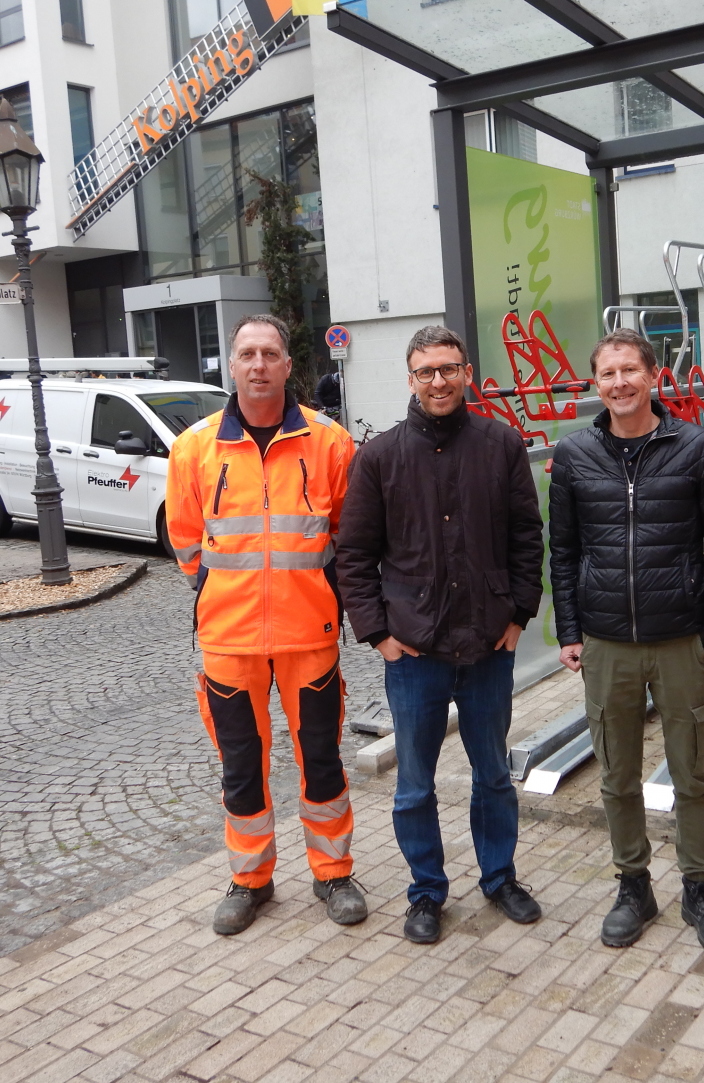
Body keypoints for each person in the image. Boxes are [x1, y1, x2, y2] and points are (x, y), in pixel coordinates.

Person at [337, 326, 544, 945]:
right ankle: (426, 891)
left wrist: (517, 617)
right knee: (413, 784)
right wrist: (378, 634)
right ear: (410, 378)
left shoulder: (501, 445)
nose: (438, 381)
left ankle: (499, 877)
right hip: (414, 651)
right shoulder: (379, 457)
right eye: (426, 371)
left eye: (448, 369)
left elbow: (527, 537)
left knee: (494, 775)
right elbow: (353, 556)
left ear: (467, 372)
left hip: (486, 646)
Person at [166, 313, 367, 936]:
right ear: (232, 364)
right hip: (229, 641)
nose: (258, 365)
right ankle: (250, 878)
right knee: (241, 764)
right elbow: (185, 545)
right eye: (247, 354)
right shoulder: (194, 447)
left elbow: (349, 539)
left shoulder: (331, 443)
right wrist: (224, 595)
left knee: (323, 759)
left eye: (270, 354)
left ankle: (334, 872)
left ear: (288, 365)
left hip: (311, 635)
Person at [548, 327, 704, 956]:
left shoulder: (695, 448)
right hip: (608, 645)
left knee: (693, 771)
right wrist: (571, 632)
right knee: (616, 775)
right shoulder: (575, 455)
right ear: (594, 383)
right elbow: (564, 552)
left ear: (654, 375)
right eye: (607, 374)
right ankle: (633, 884)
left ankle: (699, 888)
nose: (619, 384)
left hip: (682, 640)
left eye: (630, 370)